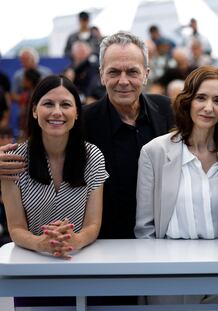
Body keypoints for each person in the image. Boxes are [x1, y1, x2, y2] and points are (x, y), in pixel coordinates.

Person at [0, 31, 174, 241]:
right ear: (101, 75)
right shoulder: (80, 120)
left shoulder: (168, 111)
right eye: (114, 72)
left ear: (146, 74)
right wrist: (5, 161)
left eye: (132, 72)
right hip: (101, 244)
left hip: (160, 240)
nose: (123, 80)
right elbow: (43, 148)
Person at [135, 65, 218, 304]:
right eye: (201, 98)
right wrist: (160, 280)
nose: (208, 107)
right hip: (169, 281)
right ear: (187, 101)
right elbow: (145, 230)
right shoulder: (154, 152)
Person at [1, 75, 108, 259]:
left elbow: (93, 224)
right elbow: (16, 228)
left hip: (79, 259)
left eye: (65, 105)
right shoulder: (13, 161)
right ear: (34, 110)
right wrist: (41, 244)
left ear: (76, 112)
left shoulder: (93, 157)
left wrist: (76, 240)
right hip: (31, 260)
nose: (57, 112)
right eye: (48, 104)